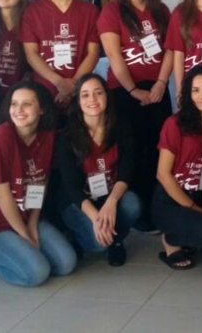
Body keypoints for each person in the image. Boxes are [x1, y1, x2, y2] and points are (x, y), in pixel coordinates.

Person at [0, 81, 76, 286]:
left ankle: (20, 255)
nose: (18, 110)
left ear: (42, 109)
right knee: (37, 273)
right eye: (14, 104)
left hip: (27, 215)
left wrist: (32, 224)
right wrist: (24, 234)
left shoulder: (46, 137)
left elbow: (40, 184)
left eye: (27, 104)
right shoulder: (1, 136)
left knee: (66, 264)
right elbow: (2, 194)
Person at [98, 0, 172, 233]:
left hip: (156, 90)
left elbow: (170, 50)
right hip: (124, 92)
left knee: (159, 151)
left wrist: (161, 83)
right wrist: (133, 90)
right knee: (133, 150)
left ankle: (157, 210)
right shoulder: (112, 11)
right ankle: (137, 214)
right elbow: (115, 58)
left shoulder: (161, 10)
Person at [152, 65, 202, 272]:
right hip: (170, 201)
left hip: (198, 196)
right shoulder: (175, 124)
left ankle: (192, 233)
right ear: (188, 93)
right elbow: (162, 174)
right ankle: (170, 238)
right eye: (195, 90)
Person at [58, 74, 142, 267]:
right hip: (78, 202)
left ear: (107, 96)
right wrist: (96, 218)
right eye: (85, 95)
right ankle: (80, 237)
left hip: (108, 195)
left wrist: (111, 202)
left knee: (132, 203)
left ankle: (115, 241)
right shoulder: (67, 135)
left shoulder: (121, 128)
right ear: (78, 101)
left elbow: (126, 172)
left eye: (98, 93)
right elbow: (71, 186)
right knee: (97, 245)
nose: (92, 100)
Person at [20, 0, 100, 109]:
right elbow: (31, 54)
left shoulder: (90, 11)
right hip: (43, 94)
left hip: (81, 94)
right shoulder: (32, 11)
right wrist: (59, 83)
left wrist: (73, 85)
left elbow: (93, 53)